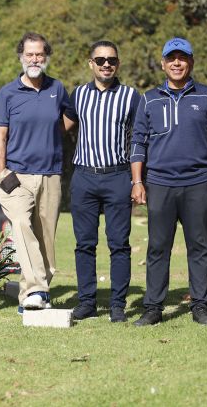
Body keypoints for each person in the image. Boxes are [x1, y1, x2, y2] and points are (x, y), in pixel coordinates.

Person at [130, 37, 207, 326]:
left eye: (182, 58)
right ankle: (153, 307)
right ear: (162, 63)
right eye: (171, 58)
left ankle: (200, 305)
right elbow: (138, 141)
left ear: (191, 62)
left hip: (197, 182)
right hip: (159, 183)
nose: (176, 63)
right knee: (158, 247)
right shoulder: (148, 99)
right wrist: (137, 182)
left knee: (199, 246)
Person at [0, 32, 73, 314]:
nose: (35, 59)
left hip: (51, 175)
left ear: (46, 57)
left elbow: (69, 118)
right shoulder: (7, 93)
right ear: (21, 57)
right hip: (17, 175)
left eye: (39, 54)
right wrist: (2, 172)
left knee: (46, 239)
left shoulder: (57, 89)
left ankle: (31, 292)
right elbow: (0, 137)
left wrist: (52, 135)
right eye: (30, 54)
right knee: (21, 225)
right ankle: (38, 289)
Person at [64, 40, 140, 322]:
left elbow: (142, 137)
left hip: (117, 175)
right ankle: (87, 302)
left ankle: (118, 304)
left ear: (117, 64)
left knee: (119, 243)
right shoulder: (78, 95)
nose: (106, 64)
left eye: (111, 60)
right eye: (100, 60)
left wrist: (137, 180)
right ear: (91, 64)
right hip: (84, 175)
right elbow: (60, 127)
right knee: (84, 243)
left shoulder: (131, 96)